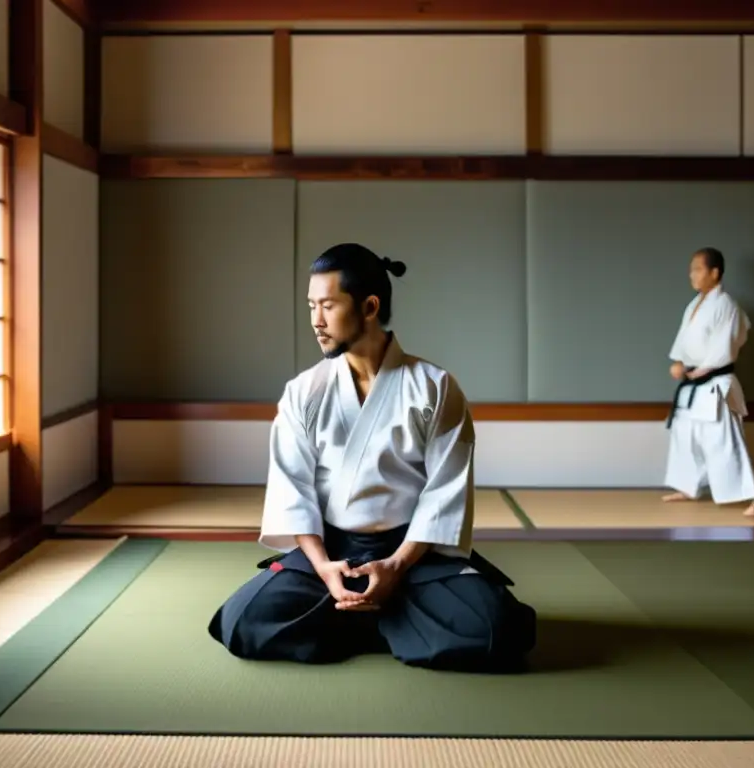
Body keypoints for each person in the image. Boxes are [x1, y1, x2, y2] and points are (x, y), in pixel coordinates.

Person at [208, 242, 537, 673]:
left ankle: (371, 609)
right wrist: (324, 567)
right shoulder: (304, 392)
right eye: (311, 306)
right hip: (332, 553)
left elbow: (444, 494)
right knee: (241, 621)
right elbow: (293, 491)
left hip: (415, 554)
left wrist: (397, 565)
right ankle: (393, 617)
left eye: (327, 306)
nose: (316, 321)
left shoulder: (434, 387)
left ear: (369, 307)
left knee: (497, 630)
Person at [662, 247, 754, 518]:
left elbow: (725, 347)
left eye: (697, 269)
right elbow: (684, 343)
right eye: (691, 269)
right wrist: (681, 363)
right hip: (694, 384)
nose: (691, 275)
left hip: (715, 382)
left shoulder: (726, 305)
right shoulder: (694, 305)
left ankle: (751, 497)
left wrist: (700, 370)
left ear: (714, 272)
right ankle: (687, 487)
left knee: (725, 440)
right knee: (685, 437)